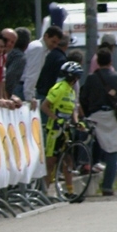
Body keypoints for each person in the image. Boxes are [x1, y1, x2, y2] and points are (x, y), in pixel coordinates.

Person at [80, 48, 117, 196]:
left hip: (96, 115)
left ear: (97, 62)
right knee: (113, 151)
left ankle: (86, 166)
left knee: (92, 144)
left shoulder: (92, 78)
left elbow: (84, 97)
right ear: (110, 62)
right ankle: (107, 186)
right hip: (112, 115)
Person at [41, 61, 84, 194]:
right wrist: (56, 119)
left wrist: (76, 122)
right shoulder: (58, 88)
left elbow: (72, 110)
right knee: (51, 162)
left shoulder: (71, 91)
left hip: (66, 130)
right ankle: (44, 192)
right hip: (54, 130)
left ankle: (70, 192)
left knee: (68, 161)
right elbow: (44, 106)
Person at [21, 26, 63, 101]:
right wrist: (29, 97)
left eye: (57, 43)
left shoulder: (37, 46)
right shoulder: (39, 48)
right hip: (23, 89)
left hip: (24, 87)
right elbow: (32, 74)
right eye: (53, 41)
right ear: (46, 36)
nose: (54, 46)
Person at [34, 33, 71, 106]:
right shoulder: (62, 60)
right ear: (67, 45)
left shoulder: (49, 54)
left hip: (40, 93)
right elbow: (59, 82)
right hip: (49, 98)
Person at [4, 28, 30, 100]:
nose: (9, 43)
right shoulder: (20, 56)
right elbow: (11, 75)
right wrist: (7, 95)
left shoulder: (8, 53)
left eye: (12, 42)